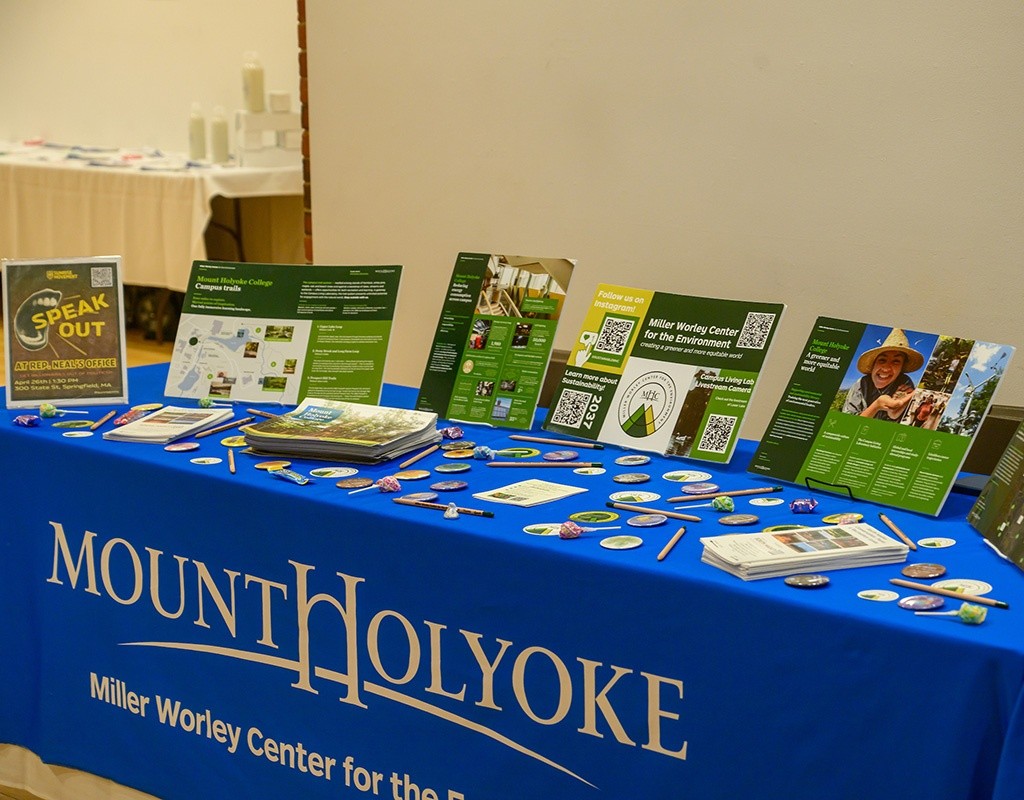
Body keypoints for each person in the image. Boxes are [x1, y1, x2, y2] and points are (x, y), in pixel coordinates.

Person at [842, 328, 924, 421]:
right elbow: (848, 422)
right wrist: (876, 406)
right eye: (882, 360)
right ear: (873, 364)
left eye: (896, 361)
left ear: (901, 368)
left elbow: (898, 417)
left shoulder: (904, 382)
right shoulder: (861, 384)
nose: (886, 368)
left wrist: (899, 408)